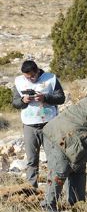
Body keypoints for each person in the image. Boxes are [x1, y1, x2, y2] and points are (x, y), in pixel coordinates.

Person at [11, 60, 65, 188]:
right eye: (27, 77)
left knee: (53, 159)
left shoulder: (51, 78)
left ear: (37, 71)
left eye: (32, 76)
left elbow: (61, 98)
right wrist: (23, 100)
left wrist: (45, 98)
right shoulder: (19, 81)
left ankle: (53, 190)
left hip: (49, 124)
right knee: (31, 160)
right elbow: (15, 103)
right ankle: (32, 190)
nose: (30, 79)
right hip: (29, 125)